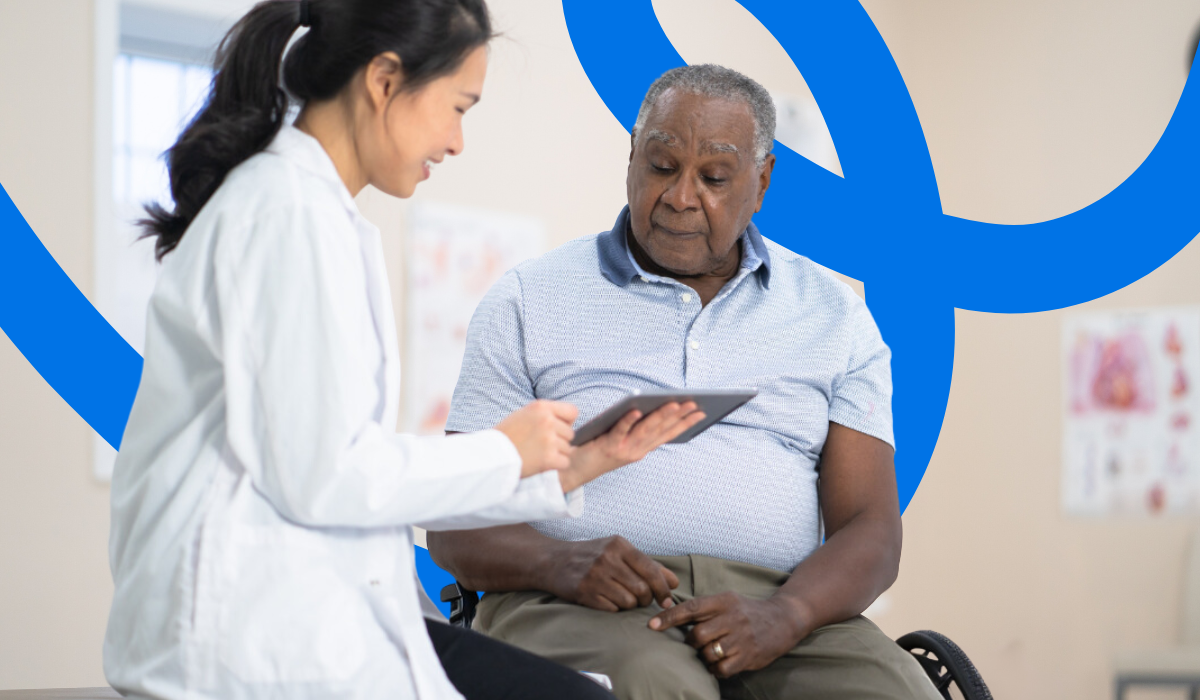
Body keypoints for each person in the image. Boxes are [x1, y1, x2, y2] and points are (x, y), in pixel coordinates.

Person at [101, 1, 704, 699]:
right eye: (457, 107)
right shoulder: (287, 217)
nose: (456, 142)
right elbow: (326, 476)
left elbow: (334, 465)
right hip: (240, 635)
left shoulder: (310, 212)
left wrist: (571, 466)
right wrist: (508, 450)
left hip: (295, 609)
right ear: (385, 80)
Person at [428, 65, 941, 700]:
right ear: (631, 163)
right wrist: (559, 562)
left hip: (780, 603)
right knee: (655, 681)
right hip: (570, 598)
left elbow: (871, 528)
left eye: (715, 178)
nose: (680, 196)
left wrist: (786, 615)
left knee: (901, 692)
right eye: (662, 166)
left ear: (762, 183)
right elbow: (453, 522)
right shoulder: (528, 300)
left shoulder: (836, 317)